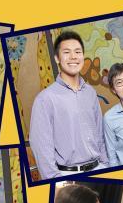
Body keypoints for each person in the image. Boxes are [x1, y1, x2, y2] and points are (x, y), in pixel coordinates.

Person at [29, 31, 109, 179]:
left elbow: (99, 133)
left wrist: (106, 164)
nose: (73, 57)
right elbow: (41, 146)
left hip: (99, 168)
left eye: (77, 52)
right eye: (67, 52)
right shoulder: (45, 99)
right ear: (57, 58)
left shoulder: (90, 92)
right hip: (67, 174)